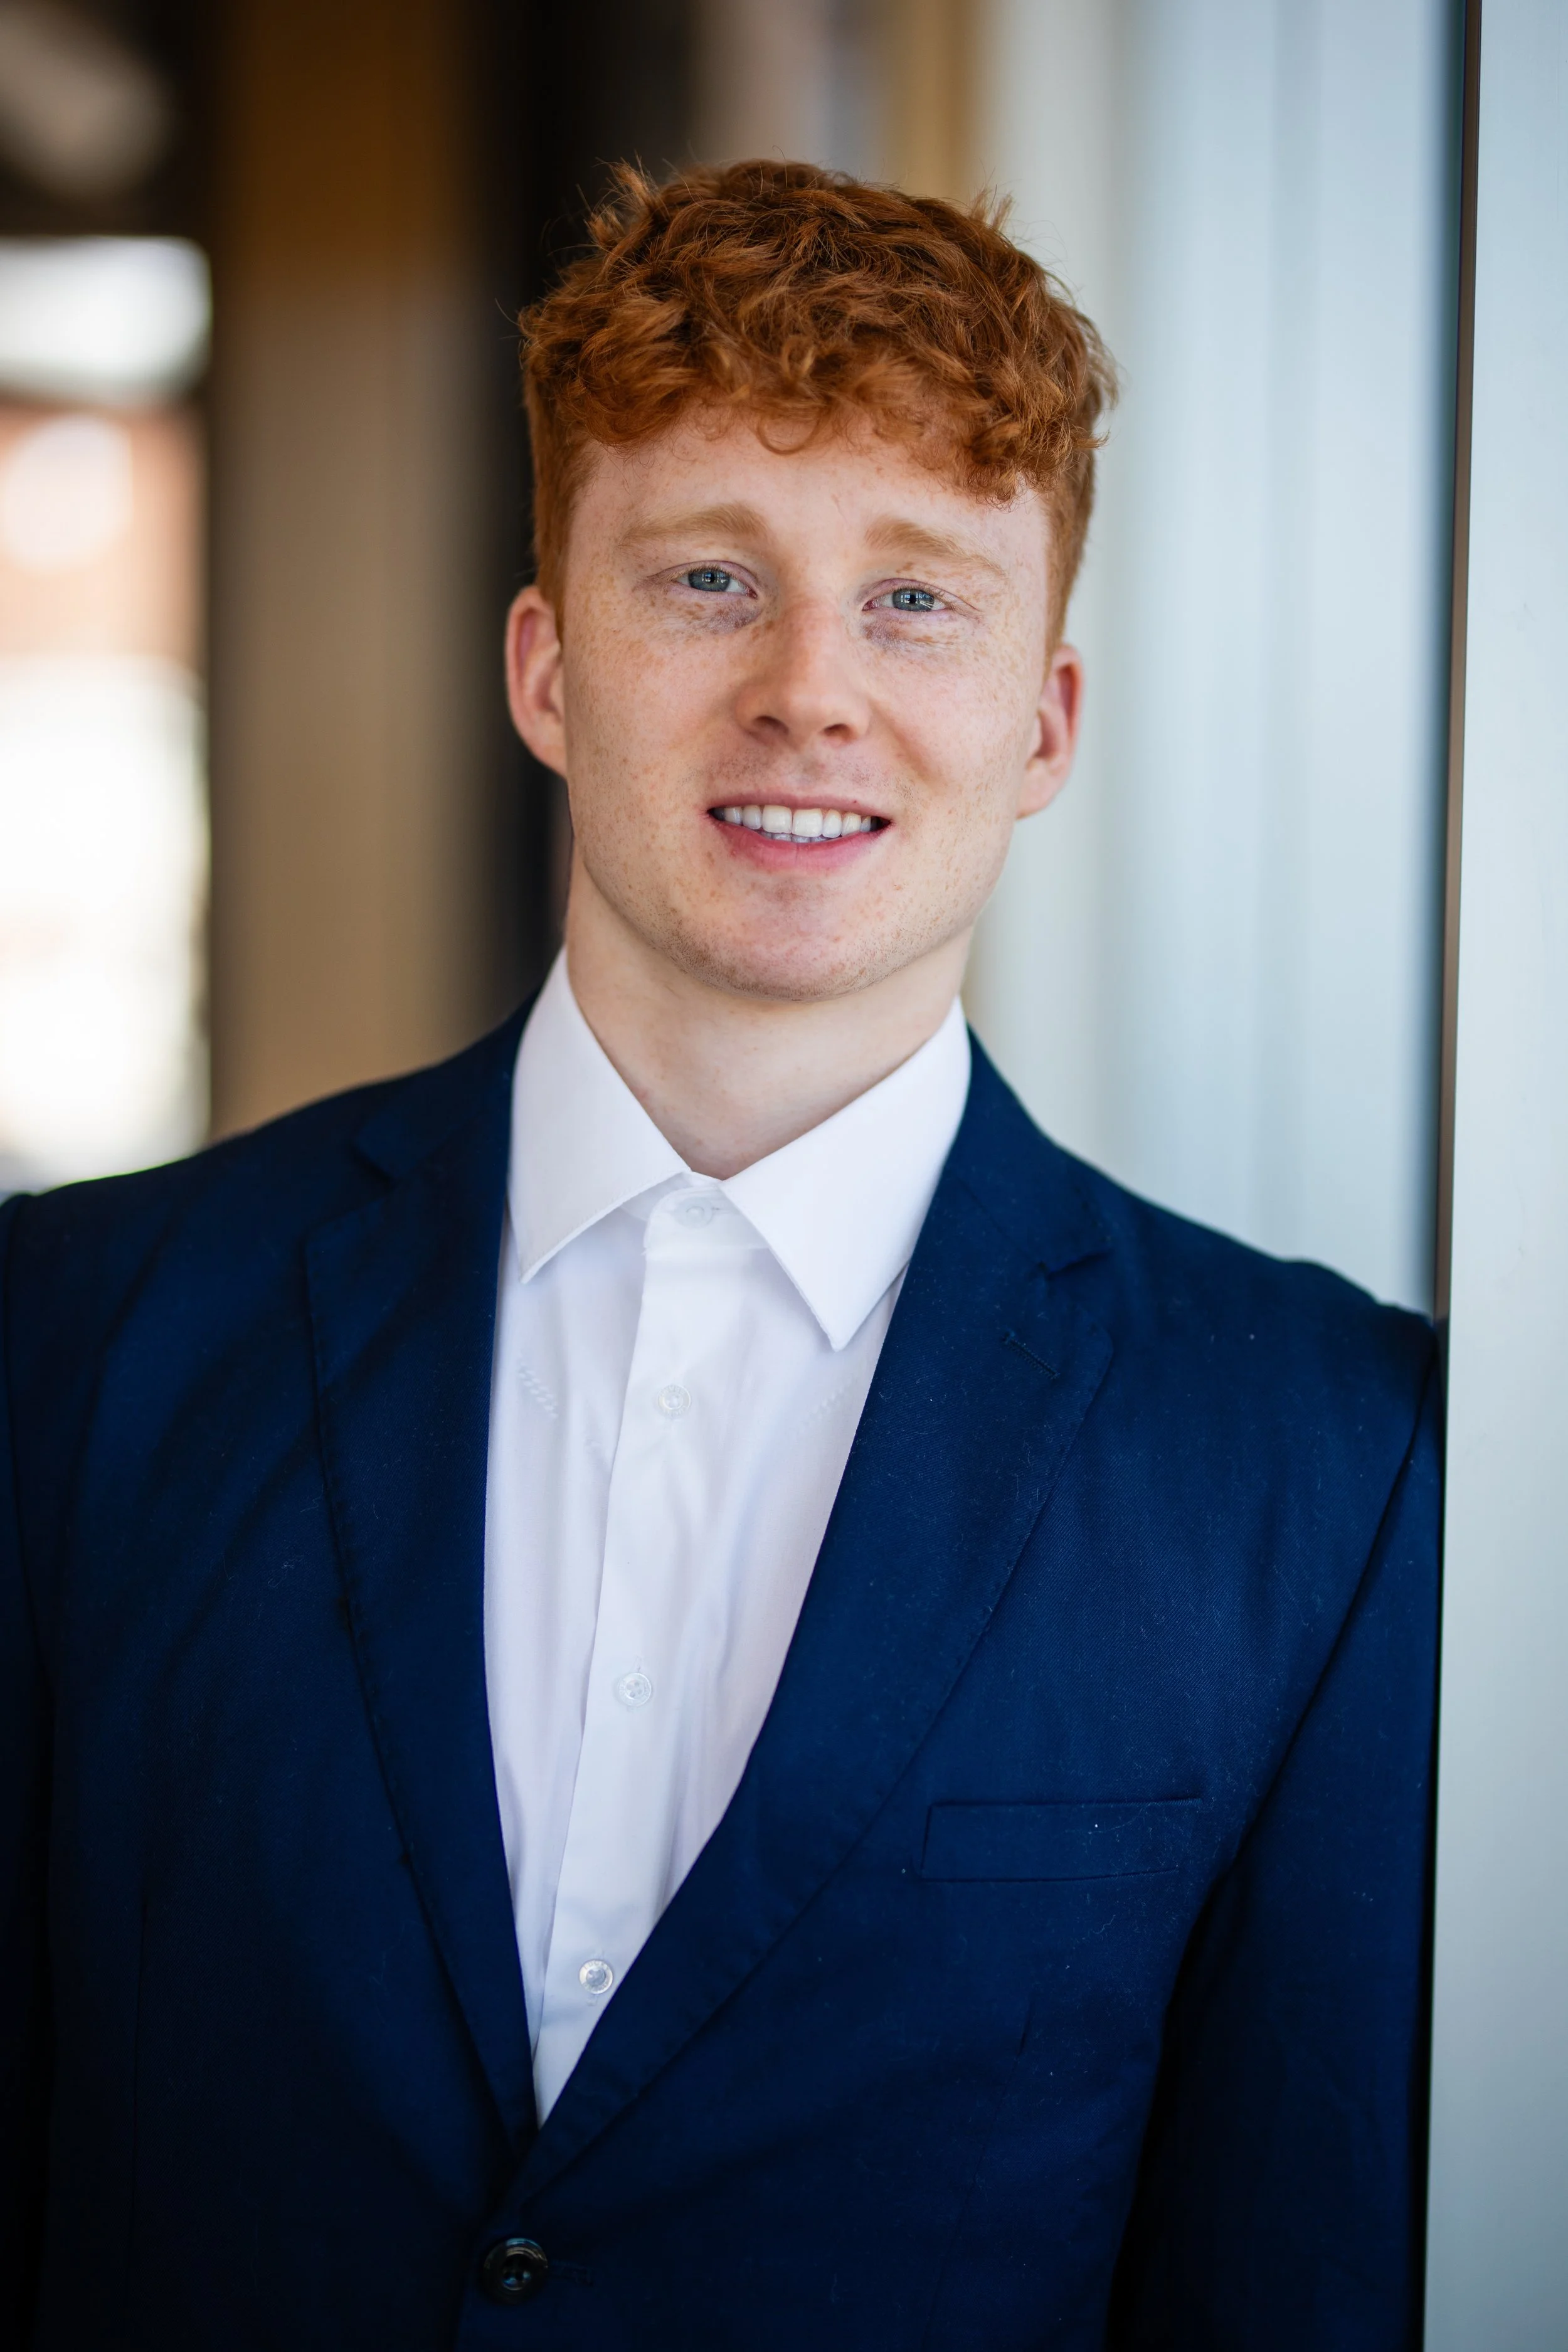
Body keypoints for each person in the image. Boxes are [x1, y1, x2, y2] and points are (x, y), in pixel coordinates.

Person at [0, 162, 1438, 2352]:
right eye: (706, 577)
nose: (808, 692)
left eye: (916, 602)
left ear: (1043, 723)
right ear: (547, 667)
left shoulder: (1336, 1467)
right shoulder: (68, 1338)